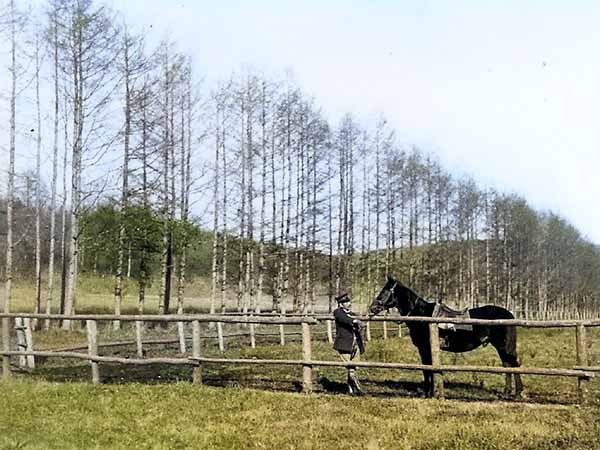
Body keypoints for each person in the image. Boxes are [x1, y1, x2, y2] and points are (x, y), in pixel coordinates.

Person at [333, 292, 365, 396]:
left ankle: (350, 390)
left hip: (355, 344)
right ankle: (358, 388)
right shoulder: (338, 312)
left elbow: (356, 322)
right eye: (345, 302)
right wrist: (356, 321)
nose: (348, 303)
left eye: (348, 301)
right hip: (344, 344)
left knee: (354, 367)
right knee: (350, 367)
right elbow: (345, 320)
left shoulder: (352, 314)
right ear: (340, 304)